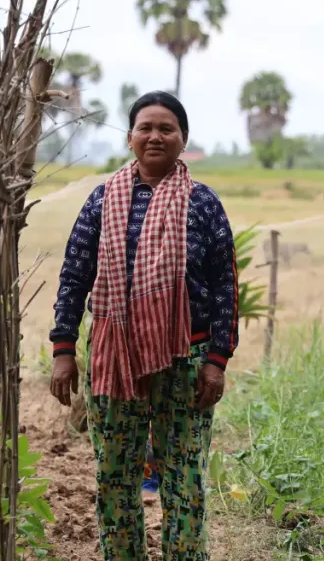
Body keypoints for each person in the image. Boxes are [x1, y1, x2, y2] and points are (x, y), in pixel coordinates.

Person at [49, 90, 237, 560]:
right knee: (115, 474)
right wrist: (64, 349)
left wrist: (216, 361)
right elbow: (74, 275)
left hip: (187, 363)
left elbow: (224, 286)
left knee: (184, 476)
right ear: (130, 137)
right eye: (145, 128)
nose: (155, 136)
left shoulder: (203, 203)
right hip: (115, 359)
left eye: (166, 128)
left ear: (183, 139)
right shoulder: (102, 200)